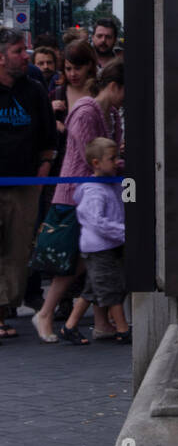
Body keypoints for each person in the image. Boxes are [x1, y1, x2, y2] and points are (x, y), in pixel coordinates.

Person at [32, 58, 124, 343]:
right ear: (113, 86)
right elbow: (89, 162)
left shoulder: (111, 114)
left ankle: (101, 322)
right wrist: (116, 165)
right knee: (74, 262)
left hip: (93, 193)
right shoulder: (87, 112)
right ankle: (46, 313)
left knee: (94, 260)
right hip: (76, 195)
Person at [0, 29, 58, 340]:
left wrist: (42, 175)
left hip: (24, 186)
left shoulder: (34, 91)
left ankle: (5, 308)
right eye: (19, 50)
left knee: (17, 252)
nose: (26, 56)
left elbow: (49, 138)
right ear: (1, 56)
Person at [59, 137, 129, 344]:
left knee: (91, 289)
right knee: (111, 289)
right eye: (112, 158)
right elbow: (98, 221)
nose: (116, 162)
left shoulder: (109, 181)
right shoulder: (94, 190)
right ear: (96, 163)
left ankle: (69, 326)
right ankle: (123, 329)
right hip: (100, 248)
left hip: (107, 245)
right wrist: (124, 232)